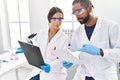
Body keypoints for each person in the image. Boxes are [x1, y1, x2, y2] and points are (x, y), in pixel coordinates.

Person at [66, 0, 120, 80]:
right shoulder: (77, 32)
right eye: (74, 13)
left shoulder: (111, 26)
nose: (77, 16)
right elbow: (75, 54)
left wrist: (100, 51)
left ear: (90, 8)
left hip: (104, 76)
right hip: (83, 75)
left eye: (79, 11)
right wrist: (70, 61)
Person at [26, 7, 70, 80]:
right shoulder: (42, 33)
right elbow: (38, 48)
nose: (58, 22)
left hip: (55, 73)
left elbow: (62, 59)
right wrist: (27, 48)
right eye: (54, 19)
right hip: (40, 68)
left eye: (60, 19)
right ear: (49, 19)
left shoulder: (64, 38)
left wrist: (50, 66)